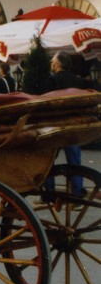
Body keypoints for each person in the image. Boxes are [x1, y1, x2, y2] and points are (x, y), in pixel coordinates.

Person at [44, 51, 86, 195]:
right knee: (74, 160)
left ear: (58, 64)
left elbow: (47, 104)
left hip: (56, 125)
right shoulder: (78, 80)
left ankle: (49, 192)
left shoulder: (52, 80)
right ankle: (77, 190)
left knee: (48, 159)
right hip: (73, 125)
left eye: (52, 61)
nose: (51, 63)